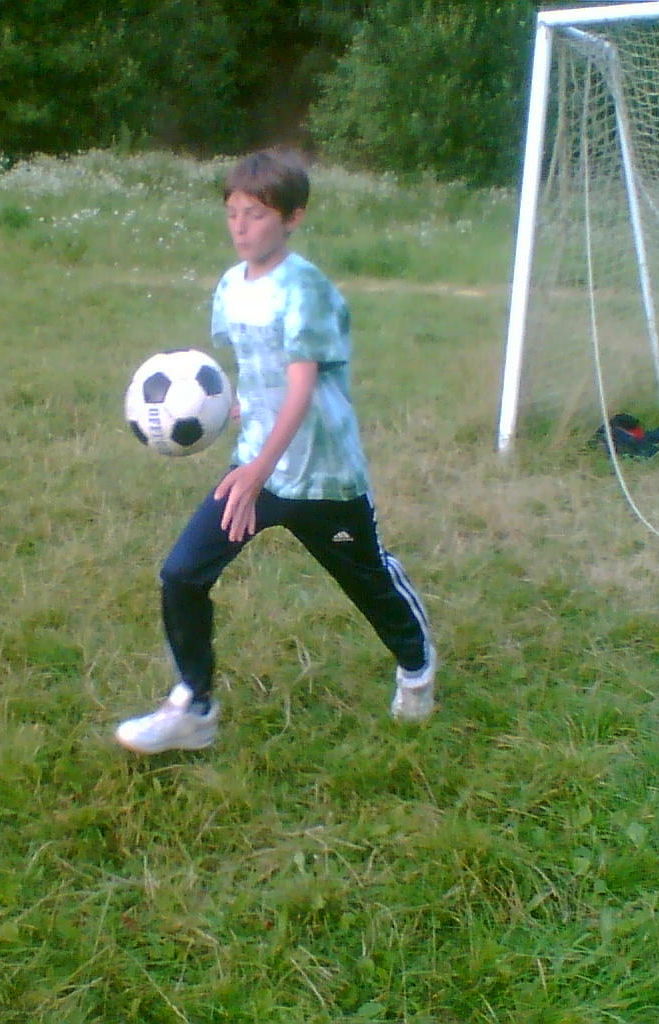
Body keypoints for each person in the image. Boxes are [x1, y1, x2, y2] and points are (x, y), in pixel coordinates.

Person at [115, 150, 436, 755]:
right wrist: (236, 412)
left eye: (257, 214)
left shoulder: (304, 288)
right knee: (182, 574)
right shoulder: (230, 288)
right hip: (256, 469)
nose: (240, 227)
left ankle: (416, 668)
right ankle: (194, 707)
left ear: (292, 218)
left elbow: (302, 385)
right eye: (233, 213)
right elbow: (256, 369)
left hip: (324, 476)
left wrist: (258, 468)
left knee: (368, 582)